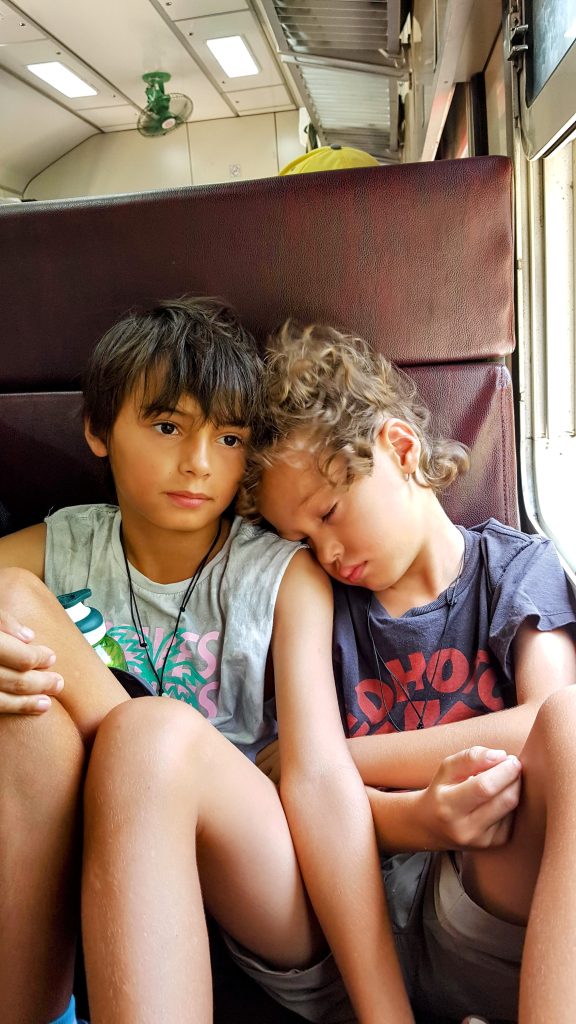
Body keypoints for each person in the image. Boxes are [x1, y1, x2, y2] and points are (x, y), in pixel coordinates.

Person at [0, 300, 526, 1024]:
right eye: (166, 428)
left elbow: (313, 775)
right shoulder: (65, 544)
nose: (197, 462)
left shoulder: (287, 575)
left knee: (154, 734)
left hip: (251, 853)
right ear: (97, 430)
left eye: (229, 438)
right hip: (90, 819)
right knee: (14, 619)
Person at [235, 320, 576, 1023]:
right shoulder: (316, 605)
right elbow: (291, 794)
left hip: (477, 907)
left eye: (330, 512)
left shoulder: (515, 571)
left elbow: (550, 723)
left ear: (399, 447)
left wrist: (340, 757)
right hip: (351, 914)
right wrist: (412, 814)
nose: (326, 551)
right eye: (302, 539)